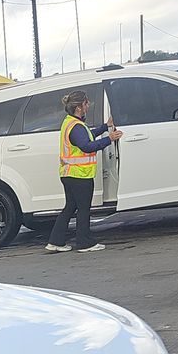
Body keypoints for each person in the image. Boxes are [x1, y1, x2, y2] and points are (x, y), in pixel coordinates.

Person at [47, 91, 122, 253]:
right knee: (83, 209)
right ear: (80, 107)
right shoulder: (76, 126)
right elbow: (86, 146)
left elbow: (88, 135)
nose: (89, 106)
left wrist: (105, 127)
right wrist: (109, 138)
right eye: (87, 103)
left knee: (70, 207)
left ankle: (56, 241)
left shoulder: (71, 123)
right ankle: (84, 242)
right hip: (79, 175)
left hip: (69, 173)